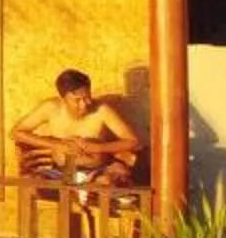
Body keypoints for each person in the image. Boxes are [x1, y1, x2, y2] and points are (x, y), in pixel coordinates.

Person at [12, 69, 141, 186]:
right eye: (77, 100)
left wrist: (98, 148)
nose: (84, 104)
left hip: (98, 172)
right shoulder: (51, 108)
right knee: (39, 183)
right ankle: (75, 202)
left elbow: (133, 142)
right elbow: (16, 132)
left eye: (87, 98)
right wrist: (56, 145)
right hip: (63, 171)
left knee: (109, 182)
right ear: (63, 99)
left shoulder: (101, 110)